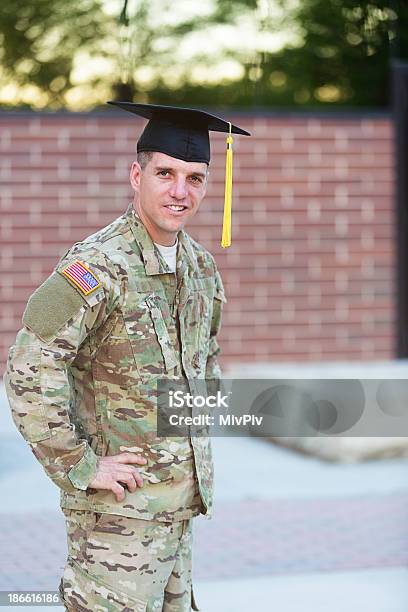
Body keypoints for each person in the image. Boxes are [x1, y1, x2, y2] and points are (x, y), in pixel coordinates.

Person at [4, 102, 250, 612]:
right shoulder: (96, 266)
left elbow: (207, 361)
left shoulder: (199, 267)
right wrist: (79, 464)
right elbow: (29, 367)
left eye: (195, 178)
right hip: (117, 518)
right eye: (165, 173)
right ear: (136, 174)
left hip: (179, 506)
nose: (180, 191)